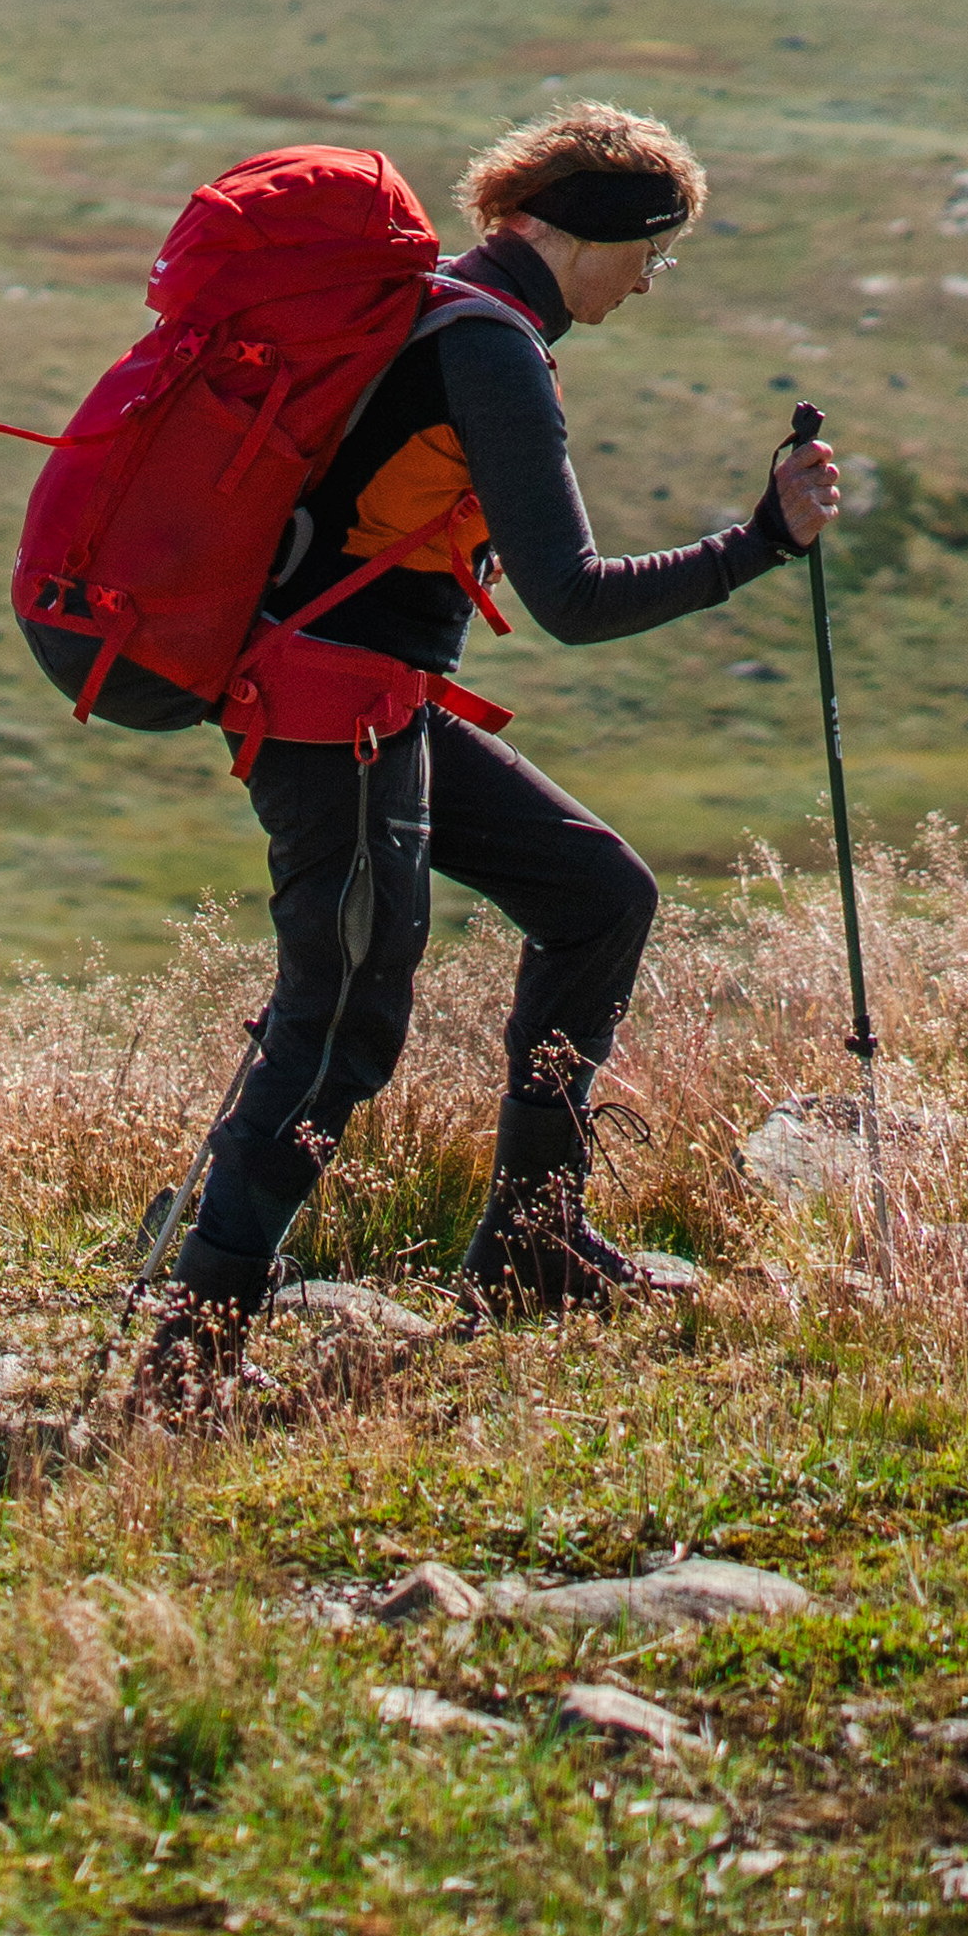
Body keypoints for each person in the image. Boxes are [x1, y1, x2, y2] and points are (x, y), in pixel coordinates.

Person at [139, 104, 841, 1354]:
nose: (647, 281)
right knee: (343, 1018)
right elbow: (568, 599)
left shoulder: (430, 305)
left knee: (595, 893)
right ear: (586, 237)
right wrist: (760, 545)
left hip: (354, 697)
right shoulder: (491, 344)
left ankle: (532, 1242)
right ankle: (194, 1335)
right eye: (652, 254)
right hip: (332, 712)